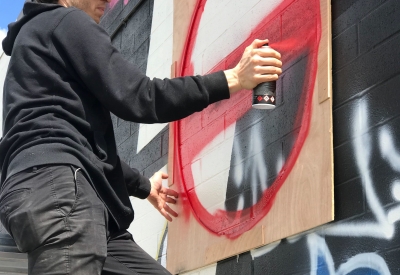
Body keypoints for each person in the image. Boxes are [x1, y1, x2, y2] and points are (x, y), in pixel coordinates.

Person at [0, 0, 282, 274]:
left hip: (54, 194)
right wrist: (233, 79)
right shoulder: (66, 21)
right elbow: (141, 98)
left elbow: (80, 146)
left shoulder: (35, 47)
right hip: (62, 193)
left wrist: (144, 187)